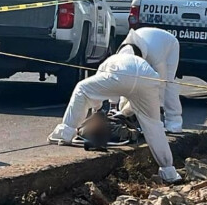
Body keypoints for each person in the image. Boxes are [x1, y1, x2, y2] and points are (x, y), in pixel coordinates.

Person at [48, 45, 183, 184]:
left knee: (82, 89)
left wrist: (97, 111)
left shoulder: (112, 59)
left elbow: (95, 95)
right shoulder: (143, 63)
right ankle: (169, 172)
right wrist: (125, 113)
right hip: (148, 80)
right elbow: (137, 100)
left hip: (120, 75)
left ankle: (65, 133)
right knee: (154, 126)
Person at [119, 27, 183, 133]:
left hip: (170, 45)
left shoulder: (156, 56)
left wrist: (159, 106)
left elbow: (160, 84)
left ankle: (174, 123)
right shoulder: (122, 53)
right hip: (148, 41)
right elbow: (120, 81)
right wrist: (118, 107)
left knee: (169, 83)